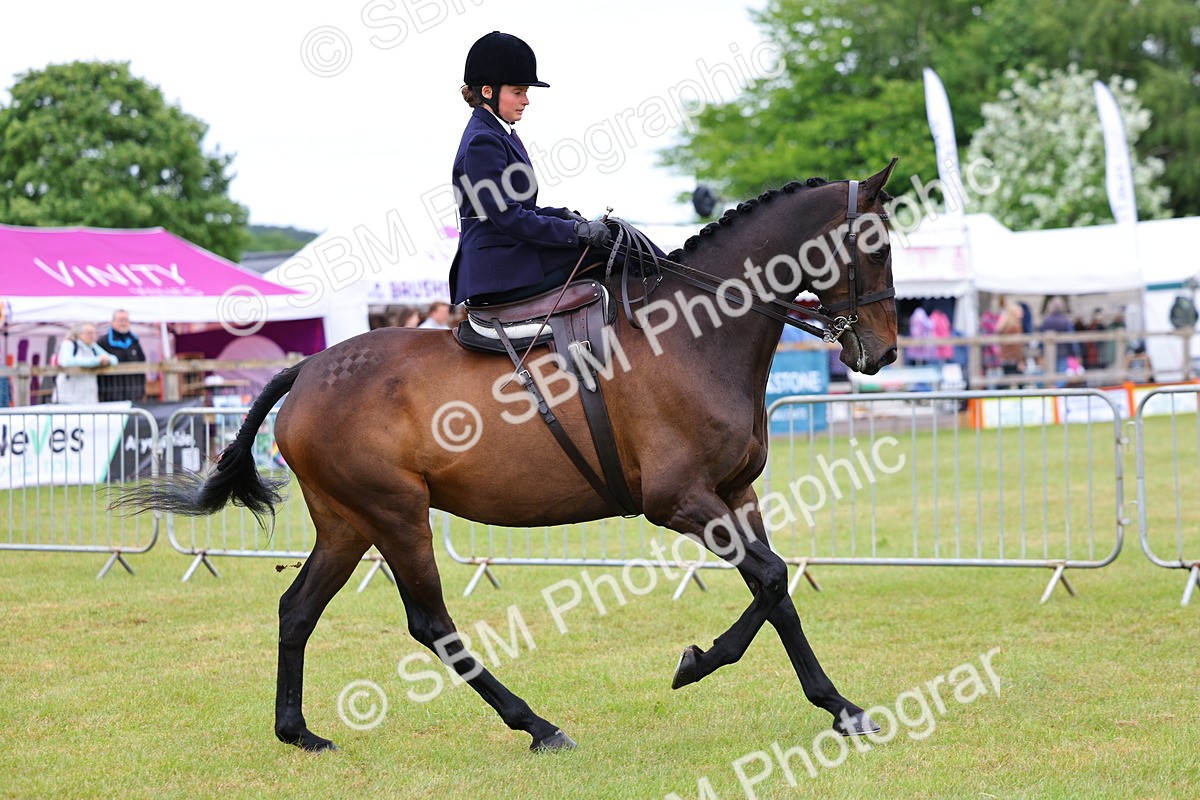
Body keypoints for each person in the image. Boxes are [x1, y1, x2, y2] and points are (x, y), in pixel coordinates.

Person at [447, 31, 614, 306]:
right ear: (488, 91)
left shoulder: (500, 133)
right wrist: (574, 233)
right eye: (518, 92)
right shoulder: (482, 141)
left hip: (510, 253)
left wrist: (568, 218)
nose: (526, 100)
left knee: (616, 233)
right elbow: (509, 217)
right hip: (497, 267)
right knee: (608, 250)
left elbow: (523, 210)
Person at [54, 322, 113, 404]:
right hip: (68, 397)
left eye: (94, 333)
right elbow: (66, 362)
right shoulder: (68, 344)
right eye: (89, 333)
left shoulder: (93, 347)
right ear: (79, 334)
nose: (93, 336)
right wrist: (96, 361)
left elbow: (113, 359)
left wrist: (107, 361)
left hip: (89, 397)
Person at [96, 308, 147, 402]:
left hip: (134, 394)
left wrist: (141, 391)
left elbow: (142, 363)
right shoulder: (103, 342)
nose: (124, 323)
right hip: (110, 395)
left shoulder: (134, 341)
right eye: (120, 320)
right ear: (113, 322)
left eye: (126, 320)